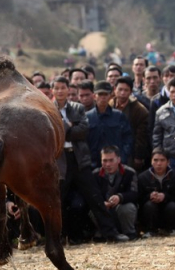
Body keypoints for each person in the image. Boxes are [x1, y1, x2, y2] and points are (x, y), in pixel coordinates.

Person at [52, 76, 129, 243]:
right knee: (58, 201)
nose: (60, 91)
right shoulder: (48, 109)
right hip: (60, 161)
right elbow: (50, 134)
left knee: (95, 199)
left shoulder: (78, 108)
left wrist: (62, 127)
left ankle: (111, 233)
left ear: (68, 90)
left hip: (80, 159)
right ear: (52, 91)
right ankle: (57, 238)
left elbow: (83, 130)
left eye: (63, 88)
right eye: (56, 88)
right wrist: (69, 126)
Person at [152, 78, 175, 227]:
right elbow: (156, 135)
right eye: (172, 92)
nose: (174, 95)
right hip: (171, 158)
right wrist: (158, 155)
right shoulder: (161, 111)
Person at [93, 145, 139, 240]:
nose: (108, 164)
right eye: (105, 161)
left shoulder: (129, 172)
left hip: (121, 207)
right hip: (104, 207)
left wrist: (120, 197)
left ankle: (129, 233)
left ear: (118, 160)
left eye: (111, 160)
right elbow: (93, 194)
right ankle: (102, 233)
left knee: (128, 208)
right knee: (94, 210)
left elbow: (134, 193)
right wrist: (102, 203)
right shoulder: (95, 174)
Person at [86, 81, 133, 169]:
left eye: (106, 94)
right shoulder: (87, 117)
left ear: (110, 96)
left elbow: (127, 138)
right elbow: (84, 142)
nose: (103, 97)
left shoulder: (119, 116)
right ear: (94, 96)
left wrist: (122, 157)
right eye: (100, 94)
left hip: (116, 164)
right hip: (93, 164)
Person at [138, 148, 175, 237]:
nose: (159, 163)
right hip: (150, 212)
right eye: (156, 160)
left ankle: (171, 229)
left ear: (168, 162)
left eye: (162, 160)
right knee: (149, 205)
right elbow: (138, 198)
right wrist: (149, 196)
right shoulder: (142, 177)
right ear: (151, 161)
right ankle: (150, 230)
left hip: (168, 210)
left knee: (173, 206)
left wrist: (165, 196)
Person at [109, 76, 149, 172]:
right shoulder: (109, 105)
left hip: (130, 151)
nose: (122, 93)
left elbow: (141, 136)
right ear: (115, 89)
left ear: (131, 92)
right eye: (120, 89)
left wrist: (138, 156)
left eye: (126, 90)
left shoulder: (139, 110)